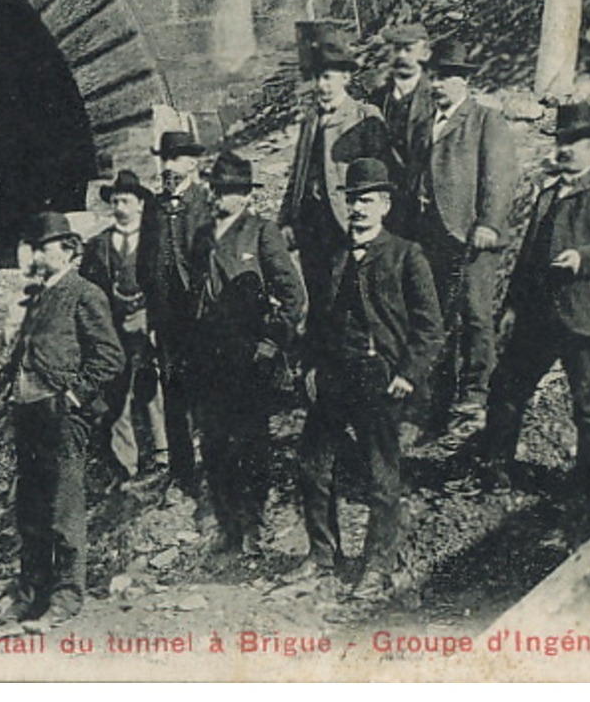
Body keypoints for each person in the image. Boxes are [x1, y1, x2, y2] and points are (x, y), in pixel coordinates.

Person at [479, 102, 590, 524]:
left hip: (588, 312)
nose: (567, 149)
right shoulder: (549, 193)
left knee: (588, 404)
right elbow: (529, 257)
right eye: (562, 141)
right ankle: (495, 473)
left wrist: (584, 257)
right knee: (506, 387)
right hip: (539, 315)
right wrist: (512, 306)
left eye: (576, 142)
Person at [285, 158, 442, 603]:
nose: (357, 208)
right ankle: (321, 557)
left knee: (381, 476)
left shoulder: (405, 254)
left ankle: (377, 567)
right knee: (312, 468)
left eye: (367, 200)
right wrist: (311, 368)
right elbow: (317, 321)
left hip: (380, 376)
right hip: (334, 375)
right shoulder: (334, 256)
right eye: (352, 200)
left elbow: (431, 328)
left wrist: (408, 375)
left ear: (385, 205)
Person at [1, 212, 125, 631]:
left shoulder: (84, 293)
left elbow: (110, 357)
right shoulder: (40, 296)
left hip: (62, 415)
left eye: (44, 246)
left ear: (69, 250)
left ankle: (67, 597)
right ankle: (32, 596)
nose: (36, 254)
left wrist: (73, 396)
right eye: (34, 247)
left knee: (63, 509)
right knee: (31, 509)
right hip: (29, 413)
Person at [188, 153, 306, 559]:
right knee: (215, 444)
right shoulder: (202, 235)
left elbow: (293, 295)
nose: (225, 197)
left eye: (234, 191)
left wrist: (272, 343)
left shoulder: (261, 232)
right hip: (208, 356)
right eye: (220, 189)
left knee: (252, 442)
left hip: (248, 357)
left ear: (246, 195)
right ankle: (228, 526)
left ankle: (255, 523)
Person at [407, 38, 515, 438]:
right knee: (435, 317)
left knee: (474, 314)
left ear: (464, 82)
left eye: (448, 77)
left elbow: (500, 177)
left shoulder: (485, 120)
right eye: (434, 77)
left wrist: (488, 222)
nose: (438, 85)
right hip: (430, 235)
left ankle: (475, 393)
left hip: (470, 235)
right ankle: (437, 398)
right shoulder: (423, 124)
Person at [280, 33, 391, 324]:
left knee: (346, 296)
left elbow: (379, 176)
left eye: (328, 78)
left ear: (346, 77)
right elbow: (298, 173)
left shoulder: (364, 116)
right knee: (316, 296)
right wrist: (287, 219)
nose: (322, 86)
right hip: (310, 223)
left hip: (345, 220)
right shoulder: (311, 119)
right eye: (318, 78)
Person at [79, 169, 168, 482]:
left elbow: (168, 284)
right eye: (115, 201)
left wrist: (153, 318)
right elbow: (88, 292)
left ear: (141, 204)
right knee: (118, 395)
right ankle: (126, 465)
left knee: (152, 388)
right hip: (113, 331)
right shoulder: (98, 245)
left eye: (126, 201)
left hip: (149, 326)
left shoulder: (158, 240)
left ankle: (162, 453)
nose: (119, 207)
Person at [138, 129, 213, 490]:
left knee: (208, 388)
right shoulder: (152, 208)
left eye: (176, 159)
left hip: (202, 314)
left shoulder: (205, 203)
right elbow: (144, 266)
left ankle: (215, 470)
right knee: (174, 392)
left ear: (192, 163)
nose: (168, 167)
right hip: (167, 317)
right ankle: (183, 475)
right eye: (164, 160)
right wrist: (152, 318)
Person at [373, 21, 436, 234]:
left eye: (408, 49)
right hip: (388, 202)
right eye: (396, 49)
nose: (401, 56)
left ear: (425, 53)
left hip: (425, 202)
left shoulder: (437, 97)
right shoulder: (378, 98)